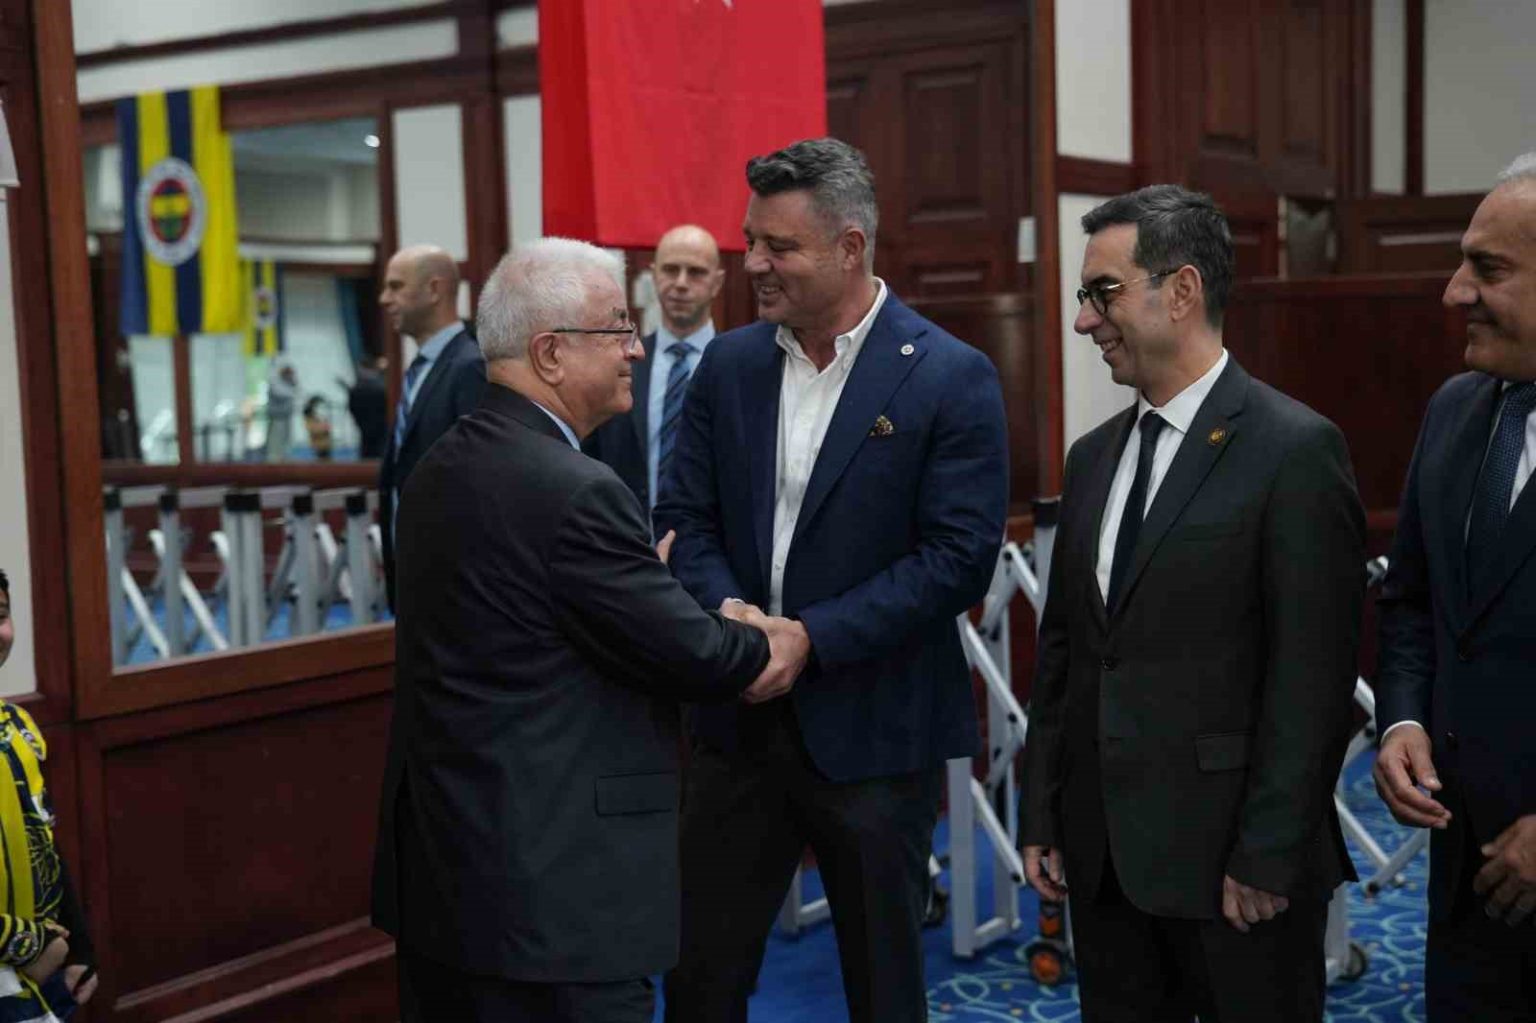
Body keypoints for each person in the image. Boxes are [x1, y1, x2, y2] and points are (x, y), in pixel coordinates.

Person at [371, 238, 804, 1023]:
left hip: (447, 874)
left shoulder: (438, 467)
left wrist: (641, 590)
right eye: (616, 328)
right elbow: (697, 653)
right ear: (550, 353)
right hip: (557, 900)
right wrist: (757, 633)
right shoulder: (578, 492)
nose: (636, 347)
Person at [657, 137, 1010, 1023]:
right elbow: (684, 517)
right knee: (698, 979)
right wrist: (733, 616)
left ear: (850, 248)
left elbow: (957, 558)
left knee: (883, 990)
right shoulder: (728, 366)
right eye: (752, 241)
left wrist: (811, 637)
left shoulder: (950, 375)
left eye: (780, 246)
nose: (754, 263)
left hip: (875, 736)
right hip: (735, 727)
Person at [1018, 185, 1365, 1022]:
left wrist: (1269, 854)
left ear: (1181, 291)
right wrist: (1044, 811)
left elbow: (1312, 680)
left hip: (1236, 874)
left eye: (1102, 293)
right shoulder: (1093, 457)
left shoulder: (1295, 449)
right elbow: (1066, 652)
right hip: (1105, 865)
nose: (1084, 321)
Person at [1374, 152, 1536, 1021]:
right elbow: (1412, 602)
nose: (1453, 292)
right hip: (1463, 884)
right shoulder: (1453, 409)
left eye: (1488, 269)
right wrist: (1402, 719)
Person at [0, 570, 99, 1020]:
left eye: (0, 615)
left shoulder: (17, 727)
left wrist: (78, 945)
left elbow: (42, 840)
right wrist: (30, 943)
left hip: (38, 976)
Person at [584, 224, 726, 516]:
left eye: (696, 272)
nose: (681, 283)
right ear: (654, 274)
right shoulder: (619, 363)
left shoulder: (738, 368)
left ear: (717, 282)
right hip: (627, 532)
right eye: (670, 270)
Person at [376, 245, 485, 609]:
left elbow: (477, 480)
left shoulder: (469, 367)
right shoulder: (420, 368)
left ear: (434, 289)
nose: (384, 299)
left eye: (396, 286)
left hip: (452, 581)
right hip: (414, 572)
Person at [346, 355, 389, 459]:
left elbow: (352, 408)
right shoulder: (381, 388)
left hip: (366, 431)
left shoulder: (357, 389)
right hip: (381, 431)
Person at [264, 360, 297, 460]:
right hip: (277, 417)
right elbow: (283, 393)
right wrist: (292, 388)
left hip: (286, 416)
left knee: (286, 439)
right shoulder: (276, 383)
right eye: (288, 374)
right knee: (276, 440)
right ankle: (273, 459)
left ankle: (284, 457)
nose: (290, 376)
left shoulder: (289, 384)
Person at [302, 395, 333, 460]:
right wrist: (324, 427)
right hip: (319, 446)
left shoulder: (316, 419)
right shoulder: (309, 420)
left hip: (324, 445)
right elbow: (315, 431)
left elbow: (326, 428)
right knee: (321, 460)